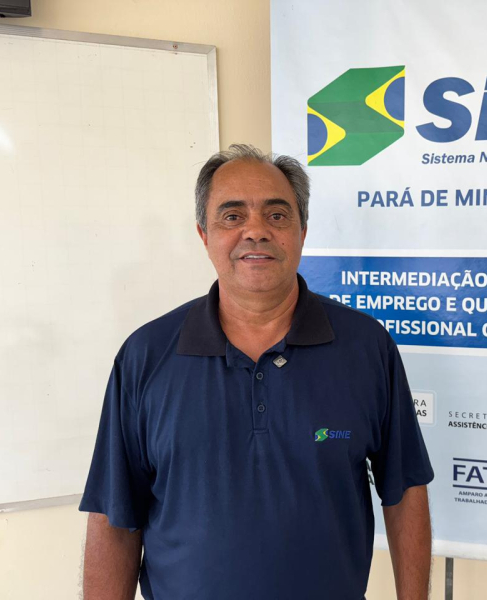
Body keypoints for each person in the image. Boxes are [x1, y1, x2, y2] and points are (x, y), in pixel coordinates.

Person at [79, 144, 434, 600]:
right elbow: (114, 518)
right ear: (204, 234)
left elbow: (405, 493)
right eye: (232, 216)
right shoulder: (145, 356)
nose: (256, 231)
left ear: (302, 231)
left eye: (277, 215)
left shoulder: (367, 347)